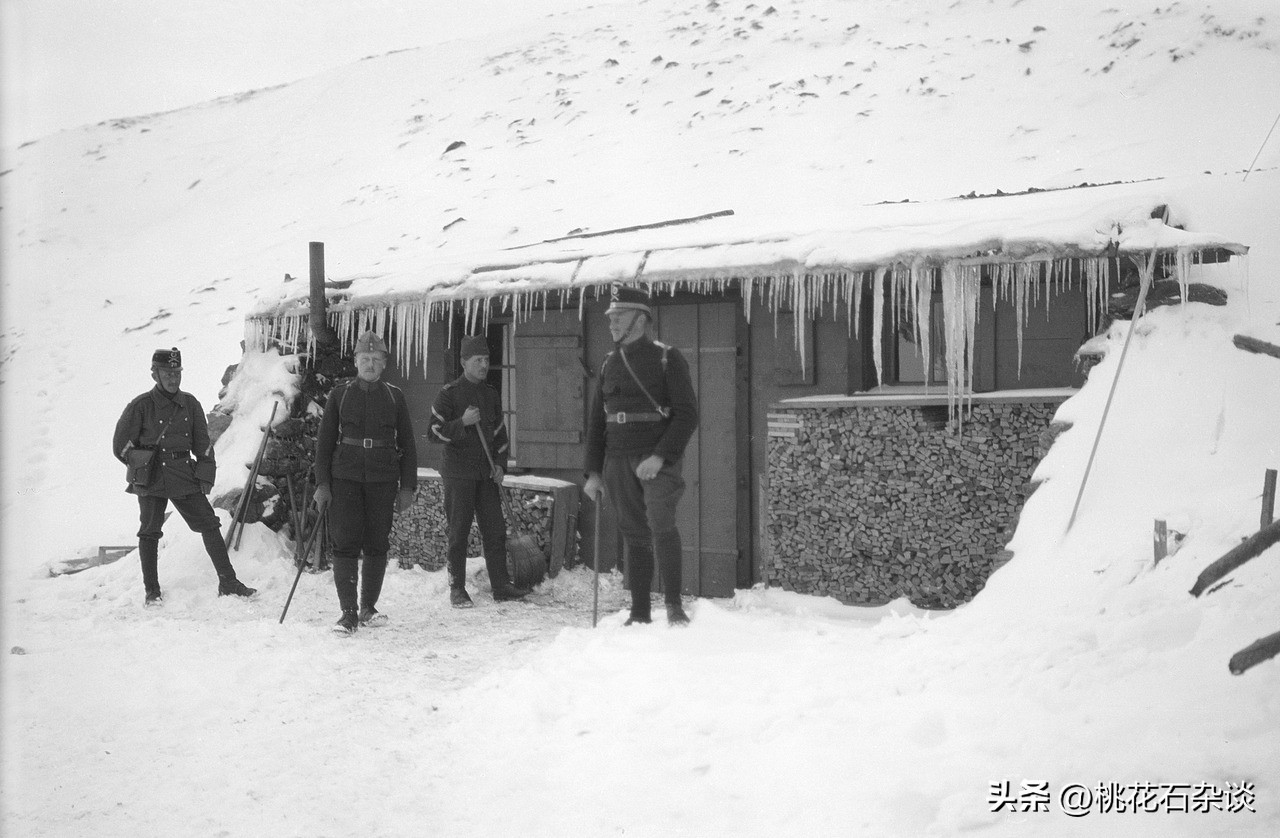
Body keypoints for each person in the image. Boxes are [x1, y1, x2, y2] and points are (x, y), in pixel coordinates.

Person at [583, 285, 699, 625]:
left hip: (656, 460)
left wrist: (661, 457)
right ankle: (640, 613)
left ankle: (675, 608)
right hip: (618, 459)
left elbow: (687, 415)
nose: (612, 323)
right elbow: (596, 422)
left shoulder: (666, 358)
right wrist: (593, 473)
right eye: (610, 318)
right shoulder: (608, 363)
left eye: (619, 317)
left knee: (661, 523)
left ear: (640, 319)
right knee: (633, 532)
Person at [112, 347, 258, 607]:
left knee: (210, 525)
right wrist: (140, 465)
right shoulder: (141, 406)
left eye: (177, 372)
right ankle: (152, 591)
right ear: (155, 374)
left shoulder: (190, 404)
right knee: (149, 533)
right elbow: (120, 445)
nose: (173, 378)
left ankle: (228, 582)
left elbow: (203, 445)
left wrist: (204, 477)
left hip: (182, 474)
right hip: (151, 478)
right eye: (167, 373)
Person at [313, 330, 418, 634]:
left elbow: (409, 445)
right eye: (364, 359)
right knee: (344, 544)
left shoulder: (394, 397)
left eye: (376, 359)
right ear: (355, 361)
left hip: (383, 480)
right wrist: (322, 484)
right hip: (344, 478)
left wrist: (407, 487)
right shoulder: (339, 395)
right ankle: (348, 613)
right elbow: (324, 443)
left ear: (384, 364)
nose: (369, 364)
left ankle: (368, 608)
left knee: (376, 544)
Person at [428, 334, 530, 607]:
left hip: (486, 474)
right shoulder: (448, 394)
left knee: (494, 530)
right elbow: (433, 431)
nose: (484, 365)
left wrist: (500, 465)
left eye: (486, 360)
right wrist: (462, 422)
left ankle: (501, 585)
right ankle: (457, 589)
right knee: (458, 532)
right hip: (458, 474)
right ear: (464, 363)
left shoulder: (490, 394)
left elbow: (500, 435)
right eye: (478, 360)